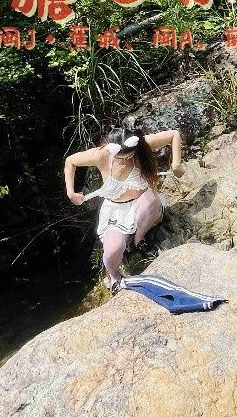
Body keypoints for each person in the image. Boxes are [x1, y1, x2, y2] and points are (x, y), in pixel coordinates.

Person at [64, 124, 184, 294]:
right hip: (116, 211)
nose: (126, 161)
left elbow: (174, 134)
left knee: (152, 200)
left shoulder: (141, 144)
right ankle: (114, 276)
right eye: (121, 158)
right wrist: (71, 192)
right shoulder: (100, 155)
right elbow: (70, 161)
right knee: (113, 250)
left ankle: (139, 239)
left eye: (130, 156)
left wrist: (176, 164)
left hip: (142, 203)